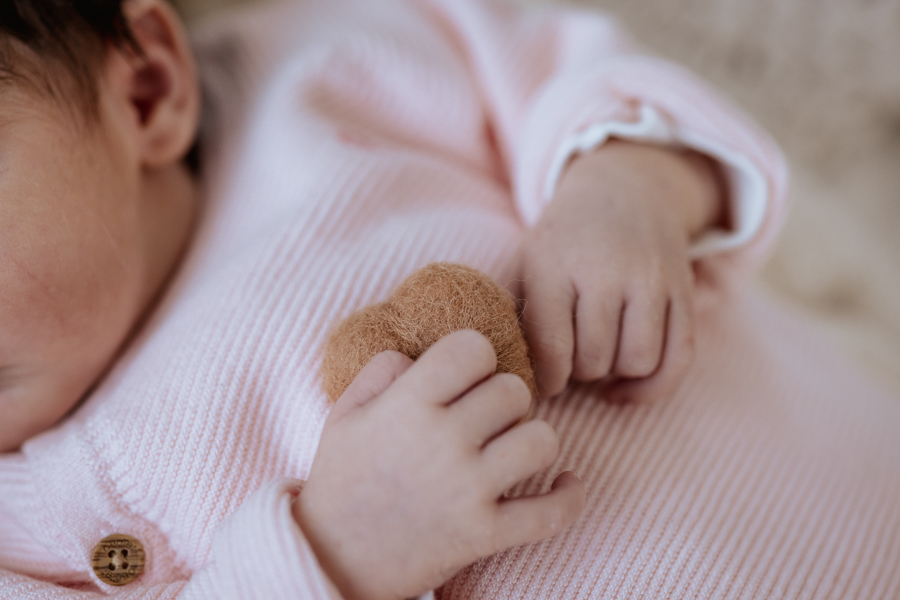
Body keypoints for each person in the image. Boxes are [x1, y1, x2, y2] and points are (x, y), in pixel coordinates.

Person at [0, 0, 897, 598]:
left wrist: (627, 189)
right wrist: (330, 556)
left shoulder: (340, 61)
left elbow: (573, 71)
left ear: (147, 89)